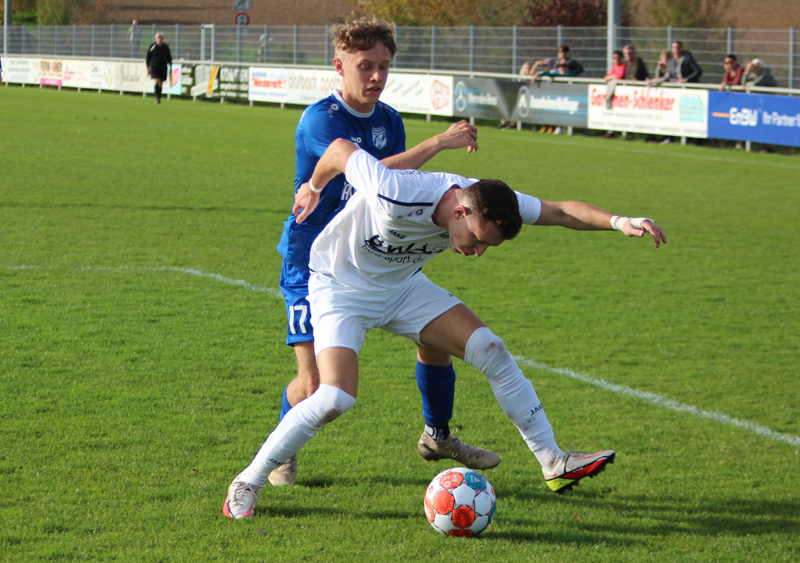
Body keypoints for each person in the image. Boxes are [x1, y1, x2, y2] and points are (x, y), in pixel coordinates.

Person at [222, 138, 667, 519]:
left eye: (488, 246)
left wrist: (620, 221)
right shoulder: (396, 189)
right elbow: (339, 150)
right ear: (459, 211)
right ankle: (247, 482)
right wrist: (314, 187)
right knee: (335, 396)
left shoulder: (489, 202)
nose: (477, 253)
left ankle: (553, 461)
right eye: (476, 240)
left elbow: (560, 211)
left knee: (491, 349)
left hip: (403, 288)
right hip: (340, 289)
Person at [261, 15, 497, 490]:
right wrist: (439, 142)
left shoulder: (389, 120)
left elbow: (393, 194)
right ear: (339, 66)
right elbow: (366, 174)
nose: (375, 77)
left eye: (384, 67)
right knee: (314, 387)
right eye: (365, 66)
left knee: (434, 340)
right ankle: (277, 458)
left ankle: (439, 436)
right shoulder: (320, 120)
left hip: (371, 257)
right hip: (312, 263)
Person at [146, 33, 172, 104]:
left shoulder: (165, 47)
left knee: (161, 83)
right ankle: (157, 98)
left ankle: (159, 97)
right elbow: (148, 58)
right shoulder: (153, 47)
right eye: (158, 38)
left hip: (163, 66)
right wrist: (147, 68)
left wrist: (170, 66)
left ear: (162, 39)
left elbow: (169, 57)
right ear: (155, 39)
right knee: (156, 80)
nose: (159, 39)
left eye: (160, 38)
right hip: (155, 66)